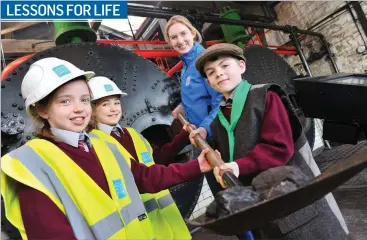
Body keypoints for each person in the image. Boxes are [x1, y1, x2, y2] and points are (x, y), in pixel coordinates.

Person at [1, 57, 212, 240]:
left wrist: (197, 165)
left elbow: (145, 176)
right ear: (42, 109)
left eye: (84, 100)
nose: (78, 108)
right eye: (65, 101)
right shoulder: (32, 166)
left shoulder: (103, 144)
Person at [193, 43, 349, 239]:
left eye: (225, 66)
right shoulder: (218, 122)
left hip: (296, 206)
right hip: (263, 214)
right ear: (208, 83)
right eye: (211, 72)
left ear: (241, 66)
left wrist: (237, 166)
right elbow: (233, 153)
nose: (219, 73)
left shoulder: (265, 96)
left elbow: (278, 147)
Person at [87, 76, 193, 239]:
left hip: (164, 220)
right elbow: (141, 177)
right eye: (105, 104)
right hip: (138, 225)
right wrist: (196, 167)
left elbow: (156, 160)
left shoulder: (132, 134)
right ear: (92, 110)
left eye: (116, 102)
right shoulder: (94, 144)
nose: (113, 109)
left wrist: (183, 135)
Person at [165, 15, 222, 141]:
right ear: (170, 42)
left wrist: (205, 128)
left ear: (192, 33)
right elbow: (199, 95)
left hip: (216, 136)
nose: (180, 41)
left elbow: (222, 100)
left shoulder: (205, 61)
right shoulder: (186, 66)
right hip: (201, 136)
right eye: (174, 37)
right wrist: (183, 106)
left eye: (183, 33)